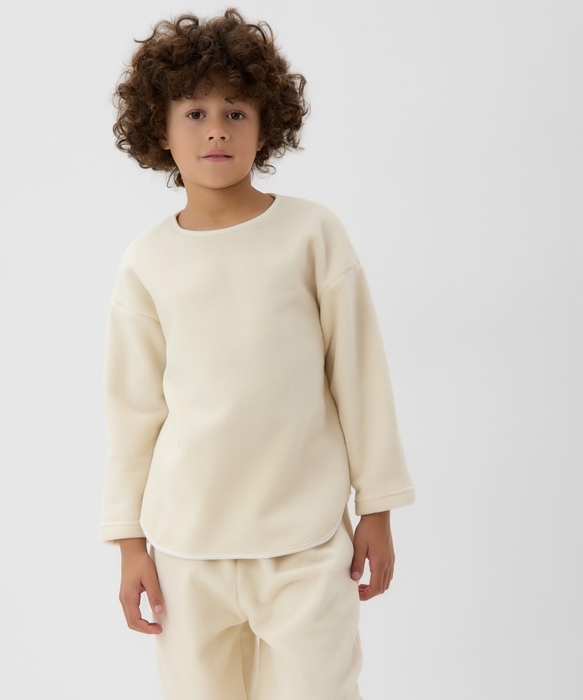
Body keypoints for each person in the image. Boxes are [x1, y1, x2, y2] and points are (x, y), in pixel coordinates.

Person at [100, 8, 415, 699]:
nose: (216, 128)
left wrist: (378, 506)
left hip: (306, 544)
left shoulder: (313, 234)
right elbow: (133, 413)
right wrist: (128, 542)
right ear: (160, 128)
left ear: (266, 125)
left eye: (236, 112)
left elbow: (359, 375)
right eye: (195, 112)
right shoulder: (147, 262)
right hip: (187, 551)